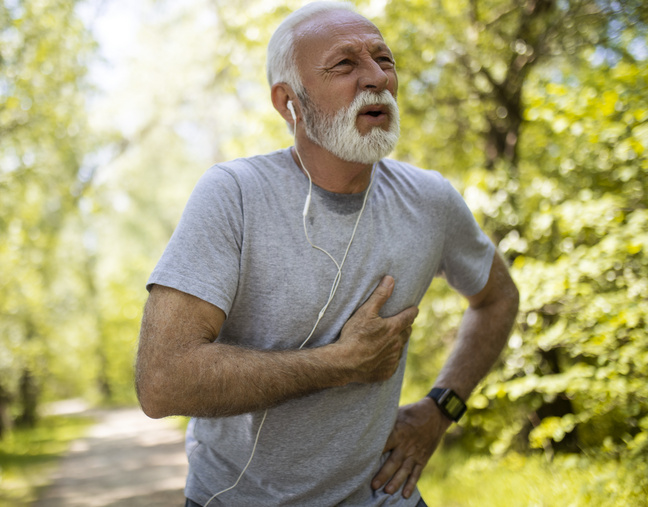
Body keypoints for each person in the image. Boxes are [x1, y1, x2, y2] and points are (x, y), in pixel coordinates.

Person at [135, 2, 519, 506]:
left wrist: (440, 408)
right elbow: (162, 381)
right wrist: (341, 363)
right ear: (289, 102)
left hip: (384, 494)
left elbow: (498, 297)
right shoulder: (235, 195)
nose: (376, 77)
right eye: (345, 65)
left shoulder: (429, 199)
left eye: (384, 60)